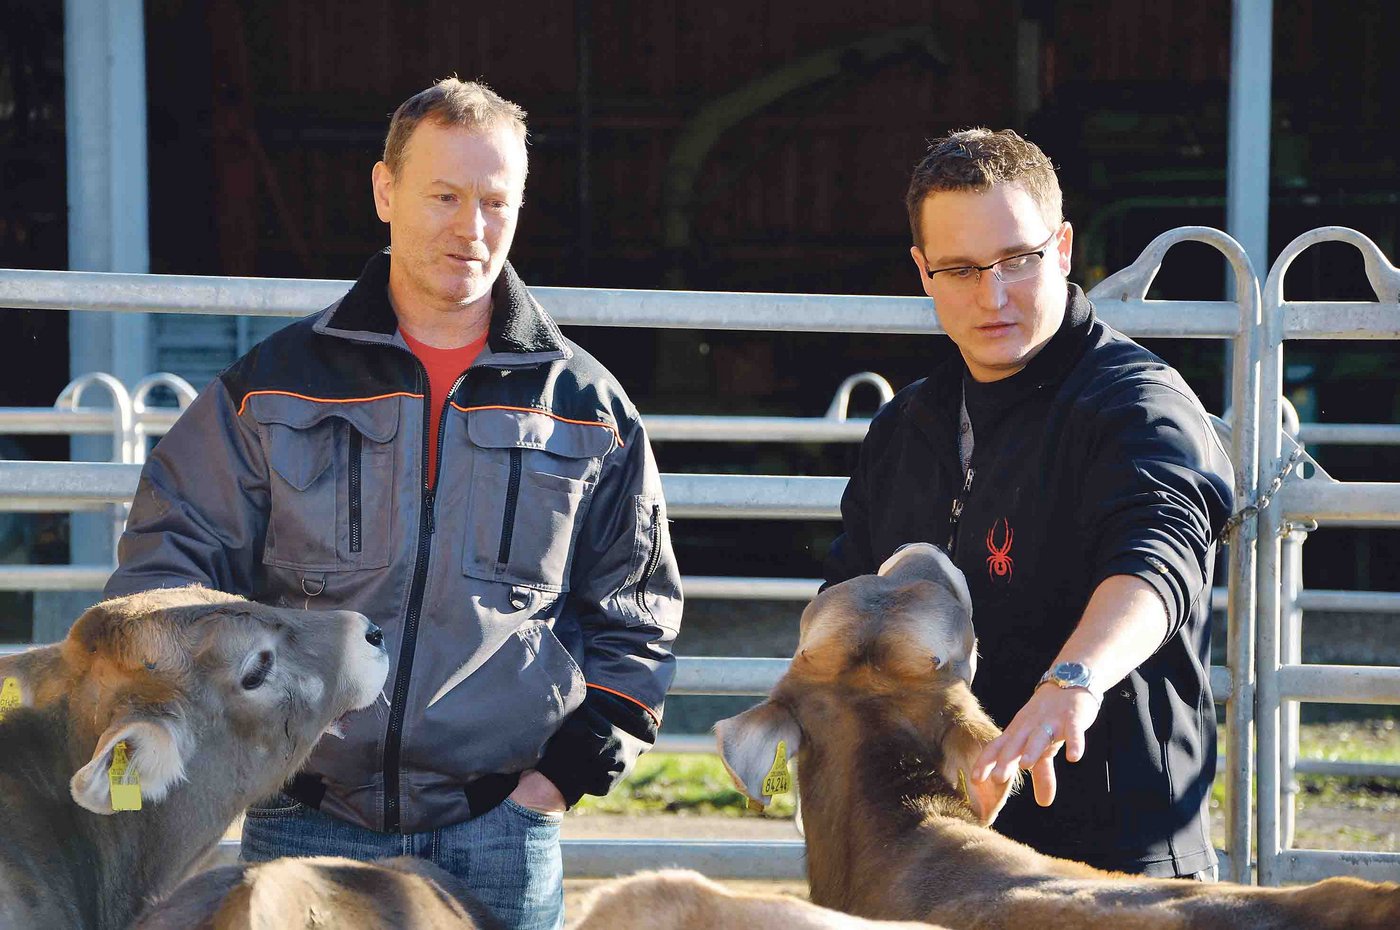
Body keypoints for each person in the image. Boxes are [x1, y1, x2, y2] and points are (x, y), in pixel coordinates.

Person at [104, 78, 682, 930]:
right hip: (303, 816)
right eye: (443, 196)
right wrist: (230, 745)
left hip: (500, 830)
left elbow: (638, 613)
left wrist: (552, 785)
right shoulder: (273, 387)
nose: (471, 227)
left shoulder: (585, 406)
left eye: (495, 201)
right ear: (385, 191)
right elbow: (166, 575)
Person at [823, 128, 1232, 880]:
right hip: (948, 861)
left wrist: (1072, 683)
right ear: (922, 271)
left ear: (1065, 247)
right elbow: (853, 600)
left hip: (1116, 867)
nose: (994, 295)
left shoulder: (1136, 404)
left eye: (1018, 259)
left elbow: (1159, 559)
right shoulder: (906, 426)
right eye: (961, 268)